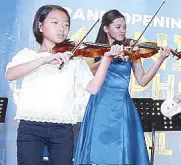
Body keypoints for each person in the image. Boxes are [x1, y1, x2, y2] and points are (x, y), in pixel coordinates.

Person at [5, 5, 114, 165]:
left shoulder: (74, 59)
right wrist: (44, 59)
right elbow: (10, 74)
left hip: (62, 128)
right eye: (55, 23)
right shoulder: (28, 55)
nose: (62, 29)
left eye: (66, 24)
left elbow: (93, 88)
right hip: (30, 127)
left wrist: (106, 59)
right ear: (40, 26)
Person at [74, 9, 170, 165]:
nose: (123, 31)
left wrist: (160, 60)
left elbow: (142, 80)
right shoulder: (93, 51)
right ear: (106, 28)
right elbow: (90, 72)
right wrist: (109, 58)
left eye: (125, 27)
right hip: (100, 107)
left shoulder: (131, 51)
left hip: (123, 107)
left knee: (122, 154)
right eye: (118, 27)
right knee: (99, 153)